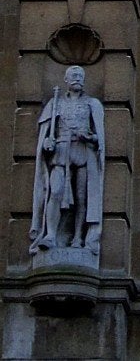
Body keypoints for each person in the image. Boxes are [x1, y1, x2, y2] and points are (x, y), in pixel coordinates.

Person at [30, 65, 105, 256]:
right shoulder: (55, 103)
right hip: (61, 151)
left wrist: (89, 137)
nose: (77, 78)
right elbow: (46, 134)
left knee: (82, 197)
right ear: (66, 79)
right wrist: (47, 142)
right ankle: (51, 235)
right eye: (73, 75)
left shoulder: (91, 104)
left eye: (80, 76)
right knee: (55, 191)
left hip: (82, 153)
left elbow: (99, 138)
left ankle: (79, 237)